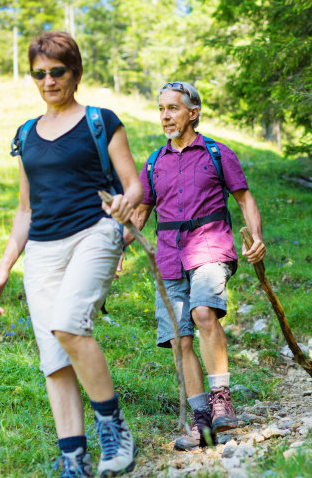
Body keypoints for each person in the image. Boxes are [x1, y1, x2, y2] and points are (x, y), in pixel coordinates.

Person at [0, 31, 142, 478]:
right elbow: (24, 210)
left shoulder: (101, 120)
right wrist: (3, 268)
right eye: (40, 74)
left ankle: (113, 429)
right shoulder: (26, 135)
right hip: (42, 251)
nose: (48, 81)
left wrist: (125, 203)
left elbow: (133, 183)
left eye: (57, 71)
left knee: (70, 325)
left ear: (74, 72)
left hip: (94, 232)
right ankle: (74, 456)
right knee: (54, 358)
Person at [105, 81, 265, 451]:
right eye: (161, 109)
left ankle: (222, 398)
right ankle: (201, 422)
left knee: (204, 312)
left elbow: (244, 199)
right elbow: (141, 214)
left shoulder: (215, 153)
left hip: (210, 246)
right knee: (179, 340)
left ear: (192, 113)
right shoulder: (154, 162)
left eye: (172, 108)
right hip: (169, 258)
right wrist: (115, 250)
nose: (165, 116)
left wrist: (256, 237)